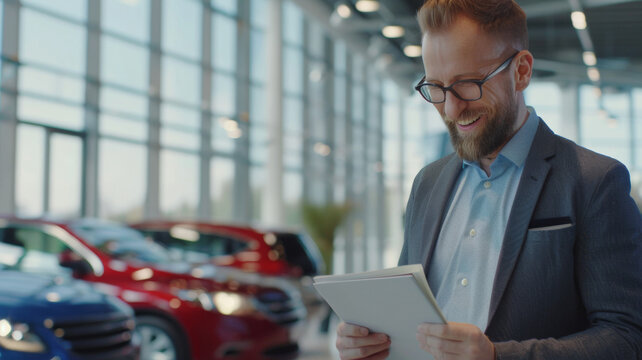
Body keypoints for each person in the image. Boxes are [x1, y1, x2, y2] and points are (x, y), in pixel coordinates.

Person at [335, 0, 642, 359]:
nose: (450, 109)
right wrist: (373, 340)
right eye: (435, 88)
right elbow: (410, 313)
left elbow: (627, 338)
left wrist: (498, 357)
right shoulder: (427, 184)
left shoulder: (594, 181)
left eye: (467, 84)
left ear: (522, 71)